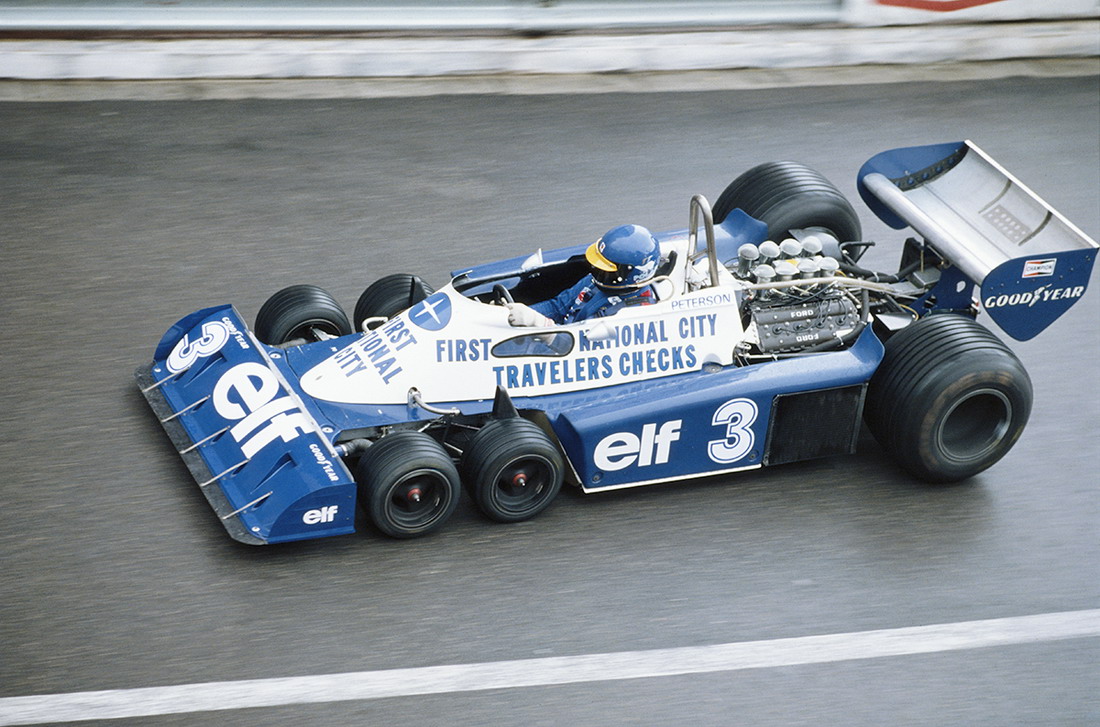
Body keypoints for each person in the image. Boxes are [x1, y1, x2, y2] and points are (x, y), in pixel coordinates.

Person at [507, 224, 661, 327]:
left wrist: (537, 322)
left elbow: (580, 345)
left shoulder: (635, 313)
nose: (596, 271)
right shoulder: (598, 280)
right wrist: (509, 315)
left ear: (630, 274)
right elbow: (558, 306)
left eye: (606, 269)